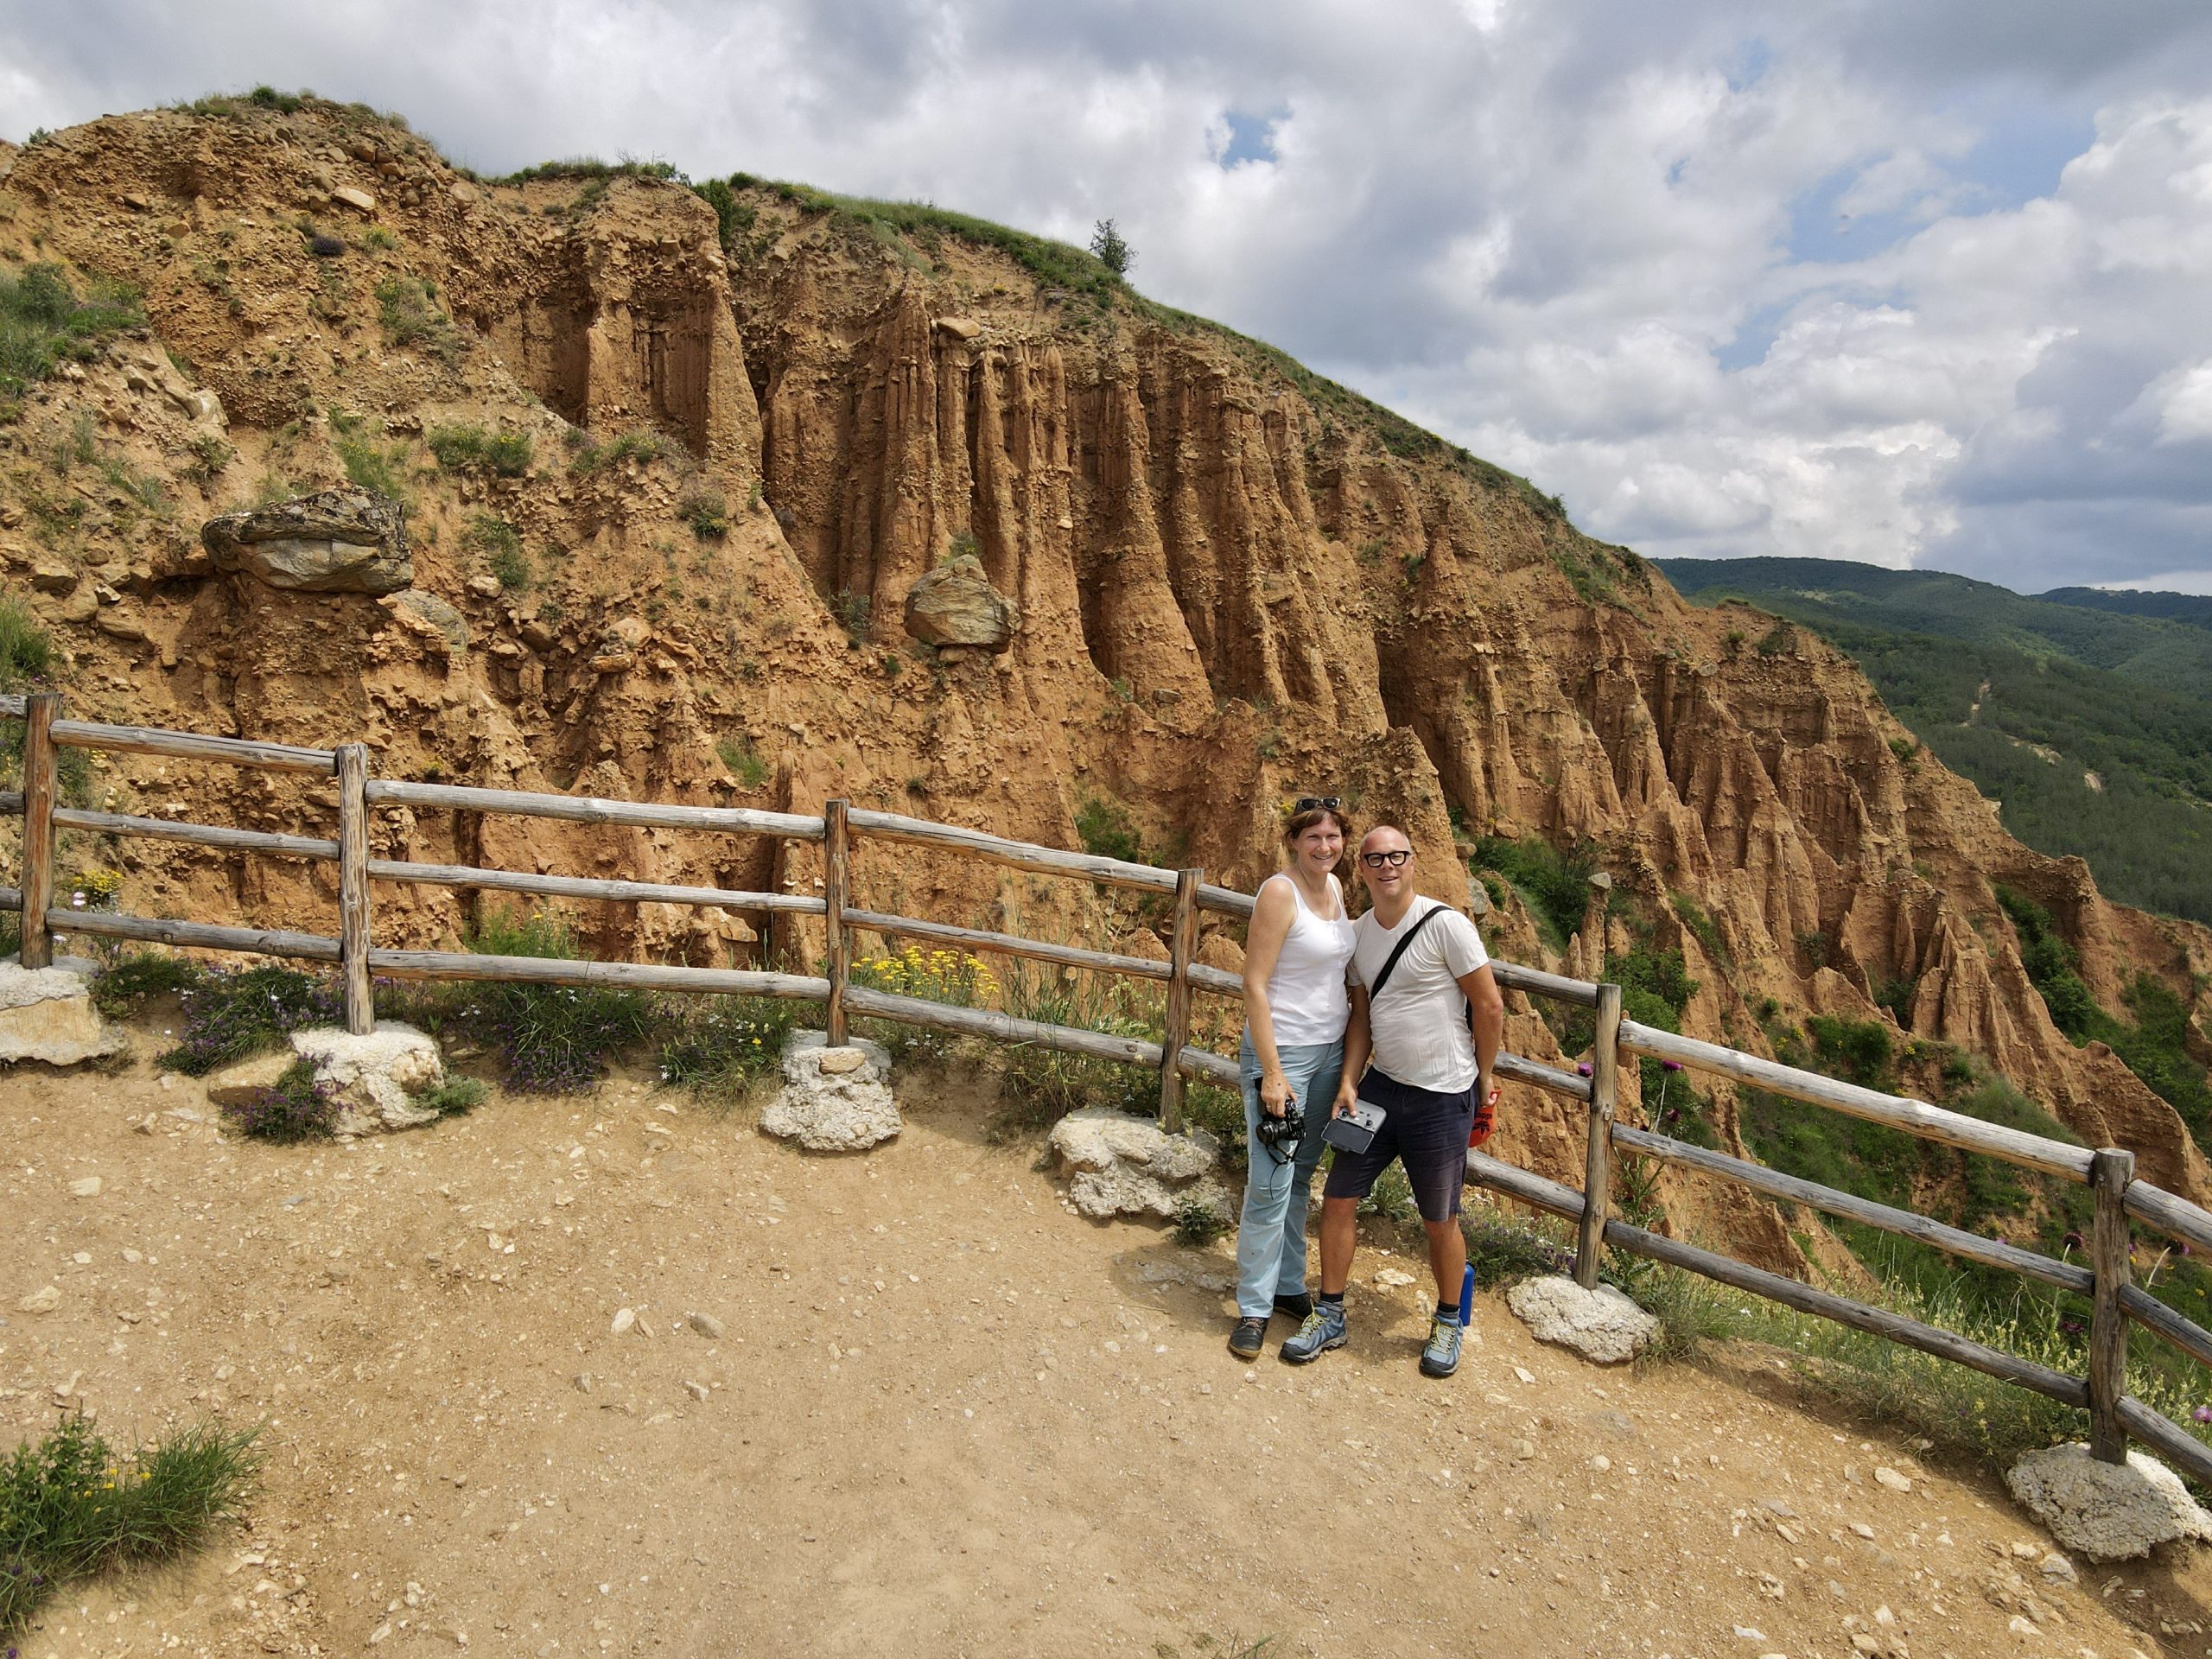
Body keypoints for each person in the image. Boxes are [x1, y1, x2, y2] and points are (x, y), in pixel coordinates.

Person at [1279, 823, 1504, 1378]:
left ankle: (1448, 1321)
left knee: (1440, 1218)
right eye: (1375, 859)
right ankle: (1329, 1312)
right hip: (1382, 1087)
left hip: (1442, 1095)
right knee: (1338, 1197)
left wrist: (1484, 1079)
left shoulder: (1447, 925)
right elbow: (1362, 1016)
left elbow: (1489, 1007)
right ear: (1361, 868)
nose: (1387, 867)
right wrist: (1350, 1080)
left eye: (1397, 856)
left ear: (1413, 861)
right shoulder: (1359, 935)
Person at [1226, 797, 1357, 1360]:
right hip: (1284, 1057)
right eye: (1314, 839)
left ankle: (1285, 1286)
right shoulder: (1280, 893)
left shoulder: (1335, 890)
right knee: (1270, 1182)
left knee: (1301, 1174)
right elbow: (1254, 983)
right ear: (1295, 842)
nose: (1324, 847)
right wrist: (1273, 1074)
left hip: (1328, 1054)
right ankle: (1253, 1306)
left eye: (1333, 838)